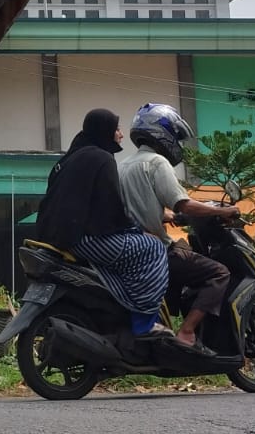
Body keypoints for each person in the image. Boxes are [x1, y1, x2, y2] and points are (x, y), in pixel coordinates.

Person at [35, 108, 172, 337]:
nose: (120, 134)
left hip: (58, 237)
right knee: (153, 248)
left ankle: (120, 310)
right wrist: (137, 230)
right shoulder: (102, 158)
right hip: (85, 239)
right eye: (116, 129)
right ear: (105, 130)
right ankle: (144, 323)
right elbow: (111, 206)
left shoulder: (69, 158)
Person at [119, 103, 242, 352]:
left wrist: (163, 216)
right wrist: (222, 211)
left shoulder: (123, 165)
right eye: (176, 136)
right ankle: (186, 332)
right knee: (219, 273)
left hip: (129, 246)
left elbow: (134, 206)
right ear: (162, 133)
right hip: (154, 250)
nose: (177, 142)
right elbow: (184, 204)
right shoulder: (156, 163)